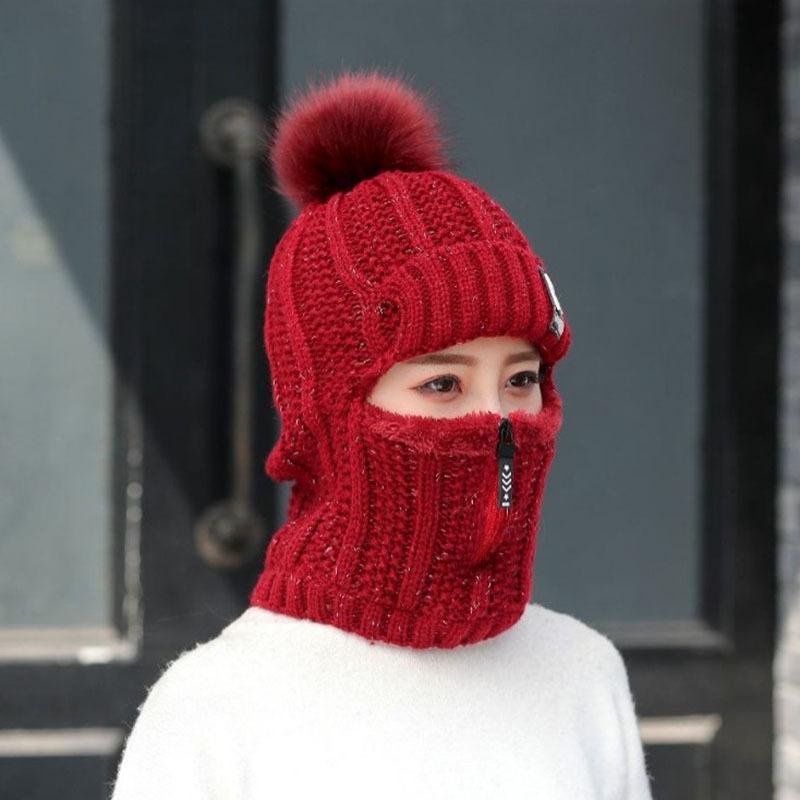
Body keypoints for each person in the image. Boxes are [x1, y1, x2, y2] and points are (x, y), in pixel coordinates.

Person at [109, 67, 655, 799]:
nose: (496, 423)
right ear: (327, 414)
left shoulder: (581, 673)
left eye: (521, 380)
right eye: (441, 384)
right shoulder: (219, 708)